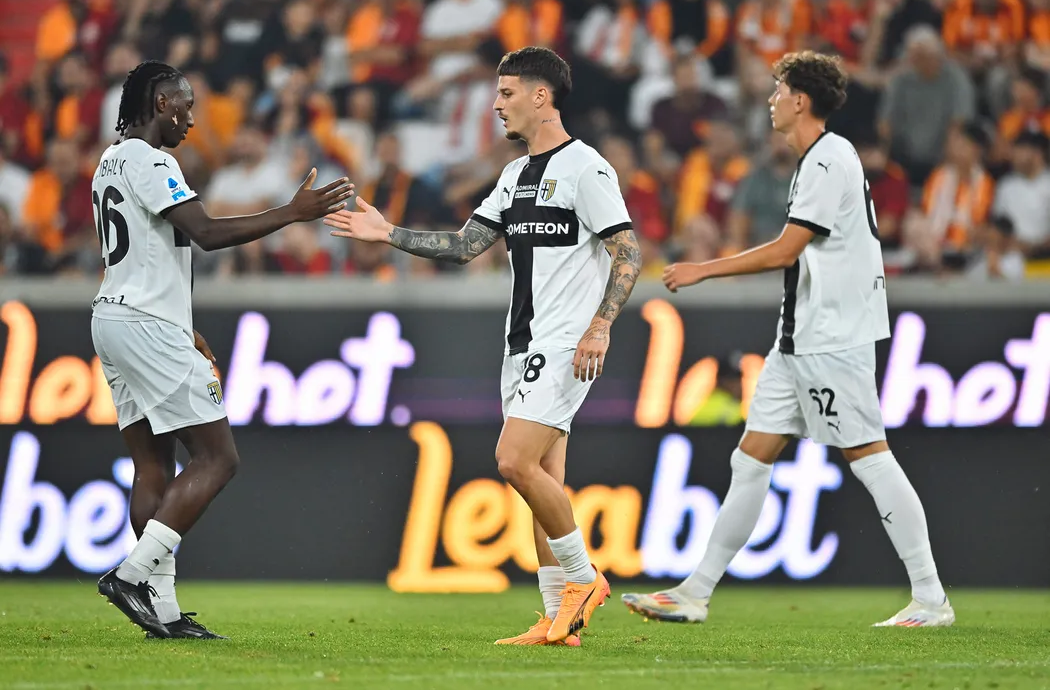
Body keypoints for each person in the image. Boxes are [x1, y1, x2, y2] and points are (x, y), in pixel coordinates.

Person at [622, 51, 954, 628]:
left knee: (869, 457)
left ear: (801, 100)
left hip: (832, 339)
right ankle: (695, 592)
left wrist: (704, 269)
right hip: (798, 339)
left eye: (778, 91)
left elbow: (786, 249)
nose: (771, 101)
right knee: (750, 458)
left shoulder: (827, 158)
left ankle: (930, 598)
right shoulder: (818, 159)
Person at [325, 46, 642, 645]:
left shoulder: (587, 169)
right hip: (519, 345)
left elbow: (627, 252)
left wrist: (600, 326)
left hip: (565, 341)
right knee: (543, 477)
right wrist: (387, 233)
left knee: (512, 460)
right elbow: (465, 246)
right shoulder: (514, 176)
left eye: (506, 93)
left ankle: (583, 579)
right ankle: (556, 619)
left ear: (541, 97)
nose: (496, 104)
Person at [91, 60, 352, 638]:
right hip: (146, 323)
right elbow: (206, 234)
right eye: (185, 106)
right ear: (161, 103)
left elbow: (152, 249)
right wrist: (292, 213)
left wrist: (182, 322)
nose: (191, 119)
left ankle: (161, 610)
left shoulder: (110, 161)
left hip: (114, 316)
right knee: (218, 458)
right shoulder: (152, 160)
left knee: (152, 464)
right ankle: (132, 576)